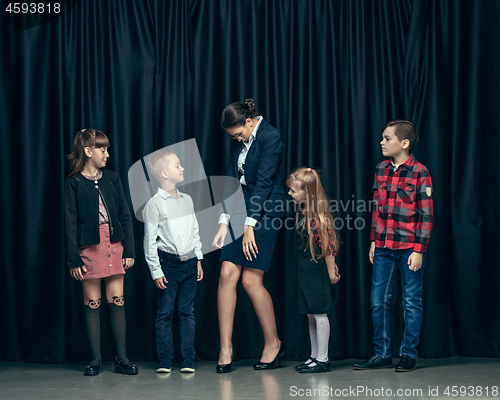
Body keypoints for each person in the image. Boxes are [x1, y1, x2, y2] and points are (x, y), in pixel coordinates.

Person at [212, 99, 287, 373]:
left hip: (267, 211)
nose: (237, 139)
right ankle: (225, 348)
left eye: (238, 134)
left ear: (249, 121)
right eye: (232, 137)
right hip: (241, 210)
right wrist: (223, 222)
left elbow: (265, 183)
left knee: (250, 280)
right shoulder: (243, 142)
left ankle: (273, 343)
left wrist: (249, 225)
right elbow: (233, 183)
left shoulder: (270, 136)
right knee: (226, 274)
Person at [353, 120, 433, 372]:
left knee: (411, 301)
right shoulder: (380, 169)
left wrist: (419, 250)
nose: (382, 142)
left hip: (410, 248)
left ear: (404, 143)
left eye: (387, 138)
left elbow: (426, 216)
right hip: (384, 247)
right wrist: (374, 241)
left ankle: (408, 354)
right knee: (378, 301)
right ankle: (382, 353)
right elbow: (377, 209)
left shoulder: (420, 172)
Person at [64, 128, 138, 376]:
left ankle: (122, 357)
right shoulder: (73, 182)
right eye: (102, 149)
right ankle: (95, 358)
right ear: (88, 151)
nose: (107, 154)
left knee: (117, 299)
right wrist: (74, 259)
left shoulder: (113, 178)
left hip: (114, 244)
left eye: (107, 149)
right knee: (92, 301)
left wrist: (129, 249)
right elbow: (69, 223)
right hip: (89, 248)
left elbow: (125, 214)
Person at [142, 149, 204, 374]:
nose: (183, 169)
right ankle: (165, 359)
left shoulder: (187, 200)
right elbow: (150, 242)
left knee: (187, 312)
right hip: (167, 266)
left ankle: (188, 358)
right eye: (178, 165)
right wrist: (156, 271)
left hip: (189, 265)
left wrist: (198, 258)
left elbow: (195, 231)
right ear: (165, 173)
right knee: (165, 313)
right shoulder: (154, 204)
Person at [286, 167, 341, 373]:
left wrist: (331, 273)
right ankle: (314, 355)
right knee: (311, 314)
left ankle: (323, 359)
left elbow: (328, 247)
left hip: (316, 272)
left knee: (319, 314)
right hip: (305, 271)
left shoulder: (317, 218)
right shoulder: (302, 212)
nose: (289, 194)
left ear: (307, 193)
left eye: (293, 191)